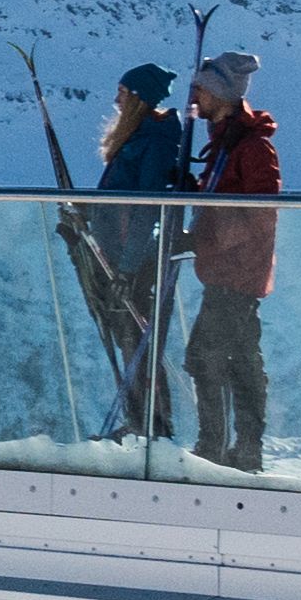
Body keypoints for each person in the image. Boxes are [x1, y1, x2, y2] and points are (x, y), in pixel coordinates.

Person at [182, 49, 287, 472]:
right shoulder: (225, 144)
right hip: (228, 270)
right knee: (242, 361)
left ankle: (214, 447)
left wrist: (208, 238)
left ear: (220, 94)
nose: (194, 98)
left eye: (201, 89)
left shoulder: (251, 148)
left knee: (204, 356)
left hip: (236, 272)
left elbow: (261, 213)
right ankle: (244, 452)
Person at [81, 63, 193, 446]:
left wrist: (127, 268)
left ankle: (151, 424)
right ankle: (142, 420)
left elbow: (146, 207)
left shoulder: (153, 141)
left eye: (123, 93)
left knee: (136, 338)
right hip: (123, 256)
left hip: (137, 260)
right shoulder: (142, 137)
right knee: (129, 337)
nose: (116, 99)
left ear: (139, 99)